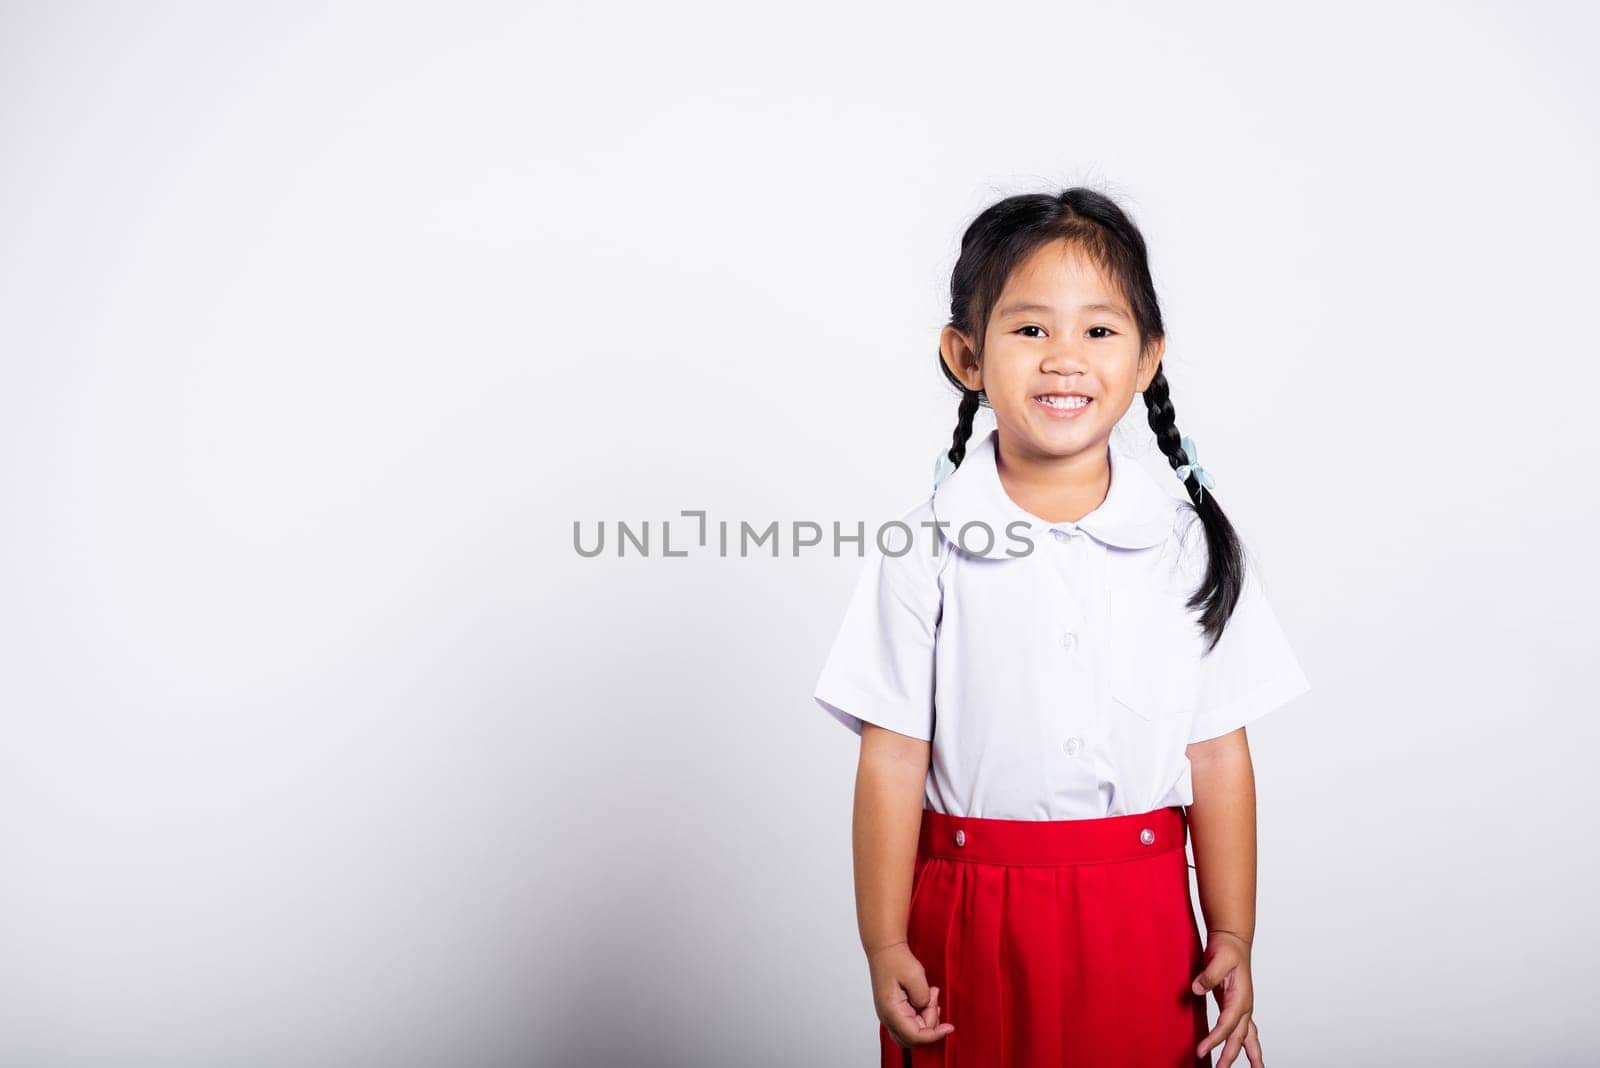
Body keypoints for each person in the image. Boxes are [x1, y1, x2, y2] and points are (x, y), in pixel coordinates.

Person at [812, 187, 1312, 1067]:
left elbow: (1217, 753)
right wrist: (883, 942)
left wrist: (1232, 929)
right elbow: (892, 754)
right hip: (967, 916)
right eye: (1031, 330)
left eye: (1100, 331)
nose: (1065, 360)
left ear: (1149, 357)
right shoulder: (922, 547)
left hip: (1144, 919)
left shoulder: (1188, 545)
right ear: (966, 357)